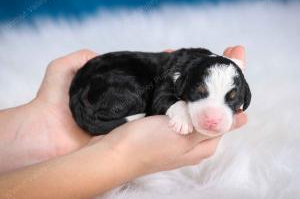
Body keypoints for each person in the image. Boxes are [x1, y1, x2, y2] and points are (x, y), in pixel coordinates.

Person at [0, 46, 247, 198]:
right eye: (200, 94)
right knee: (138, 91)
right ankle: (105, 118)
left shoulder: (191, 69)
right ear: (183, 82)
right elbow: (162, 98)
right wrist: (125, 156)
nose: (214, 115)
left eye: (231, 101)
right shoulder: (177, 74)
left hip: (92, 92)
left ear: (244, 98)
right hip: (105, 82)